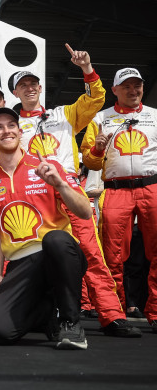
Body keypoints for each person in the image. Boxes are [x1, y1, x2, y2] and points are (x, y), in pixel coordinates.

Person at [14, 45, 139, 337]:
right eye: (23, 85)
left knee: (92, 251)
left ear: (40, 88)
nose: (29, 88)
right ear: (16, 92)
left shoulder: (65, 113)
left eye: (33, 83)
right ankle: (34, 314)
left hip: (69, 187)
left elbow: (97, 97)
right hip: (33, 193)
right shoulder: (11, 123)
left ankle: (112, 316)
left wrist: (86, 68)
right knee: (30, 252)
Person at [0, 107, 93, 349]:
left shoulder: (48, 166)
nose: (6, 130)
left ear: (20, 132)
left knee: (55, 240)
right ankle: (45, 311)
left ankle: (71, 323)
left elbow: (85, 211)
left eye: (11, 125)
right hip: (20, 263)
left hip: (58, 254)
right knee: (1, 332)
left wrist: (60, 184)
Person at [81, 67, 157, 334]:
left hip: (152, 187)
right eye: (126, 86)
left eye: (137, 85)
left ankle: (156, 312)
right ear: (114, 90)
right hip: (114, 190)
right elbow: (89, 162)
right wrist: (98, 148)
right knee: (111, 255)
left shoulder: (155, 116)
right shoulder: (100, 118)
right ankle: (114, 313)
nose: (133, 90)